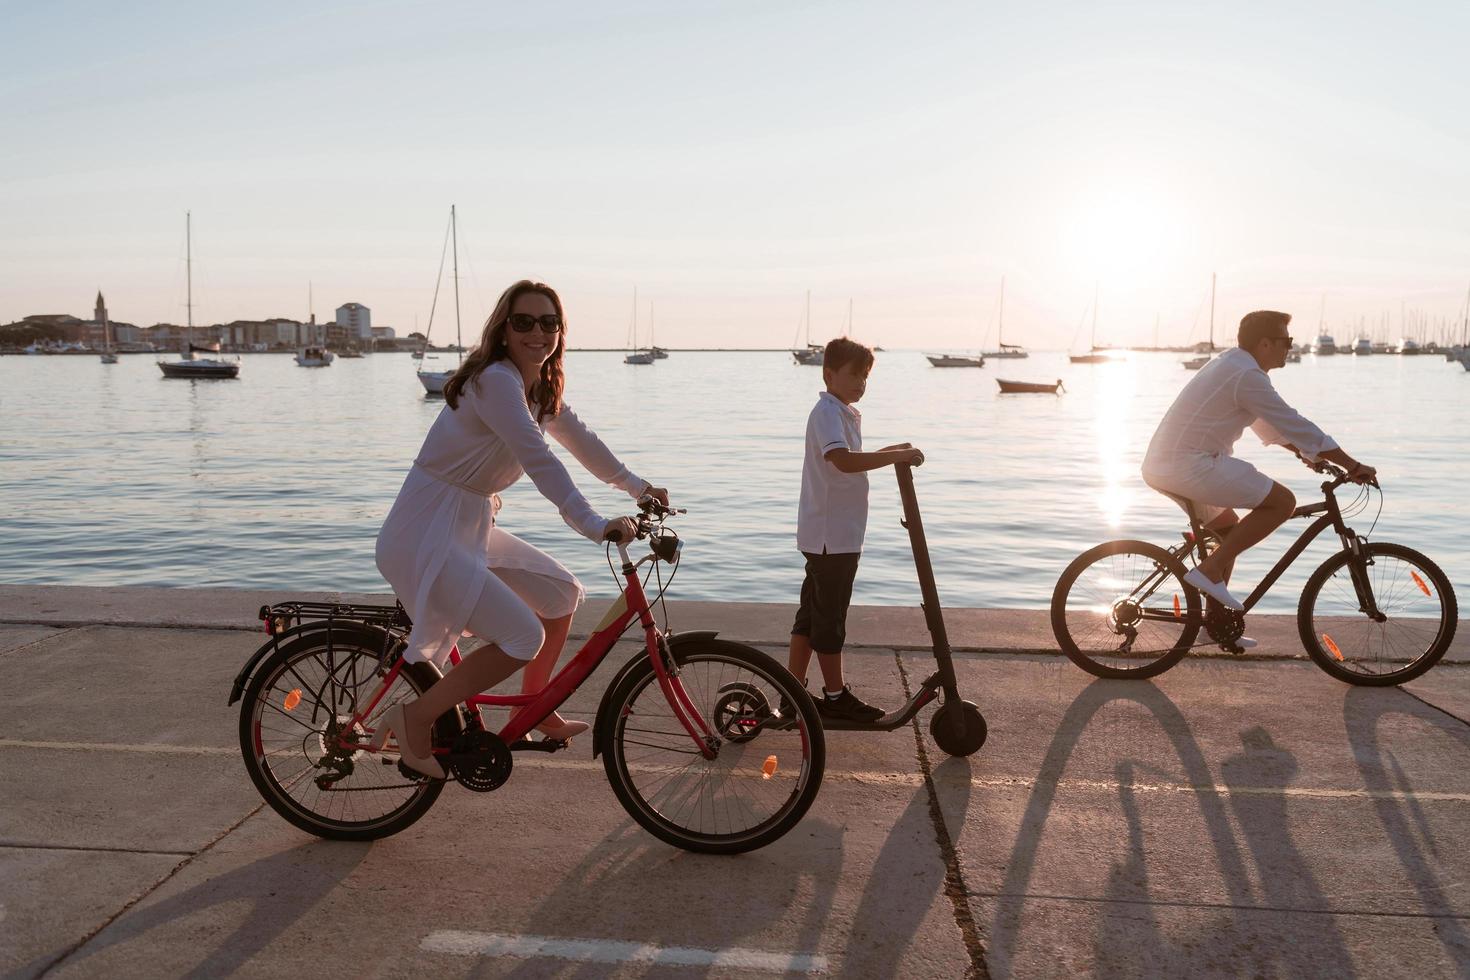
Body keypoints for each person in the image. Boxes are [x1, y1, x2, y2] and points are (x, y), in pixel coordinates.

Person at [372, 280, 666, 777]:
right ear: (503, 330)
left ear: (560, 331)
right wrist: (595, 525)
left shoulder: (538, 387)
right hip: (426, 530)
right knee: (520, 636)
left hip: (468, 524)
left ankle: (533, 706)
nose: (537, 332)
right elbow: (539, 458)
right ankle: (414, 717)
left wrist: (640, 488)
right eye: (524, 321)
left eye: (548, 323)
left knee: (561, 595)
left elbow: (583, 442)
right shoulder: (495, 381)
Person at [1142, 309, 1375, 640]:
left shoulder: (1234, 366)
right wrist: (1351, 465)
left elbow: (1268, 425)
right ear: (1265, 343)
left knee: (1228, 529)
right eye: (1286, 341)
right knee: (1282, 502)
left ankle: (1215, 626)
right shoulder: (1247, 375)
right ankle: (1208, 571)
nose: (1289, 348)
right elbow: (1294, 423)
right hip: (1188, 464)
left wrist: (1306, 454)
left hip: (1169, 464)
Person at [790, 337, 925, 722]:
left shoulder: (841, 412)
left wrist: (890, 451)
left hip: (828, 534)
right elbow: (843, 462)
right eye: (854, 375)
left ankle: (791, 693)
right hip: (833, 536)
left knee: (811, 617)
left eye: (865, 377)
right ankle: (835, 697)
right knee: (829, 619)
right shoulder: (827, 413)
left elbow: (851, 459)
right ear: (829, 374)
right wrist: (896, 457)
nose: (861, 383)